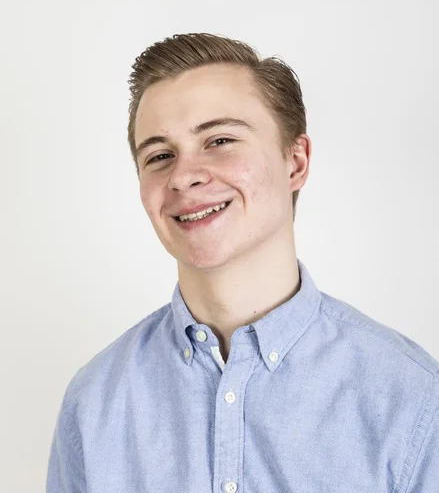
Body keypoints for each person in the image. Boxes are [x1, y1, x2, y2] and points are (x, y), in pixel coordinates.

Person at [46, 33, 439, 492]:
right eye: (159, 155)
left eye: (220, 139)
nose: (184, 176)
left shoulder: (411, 399)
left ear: (295, 162)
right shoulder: (92, 404)